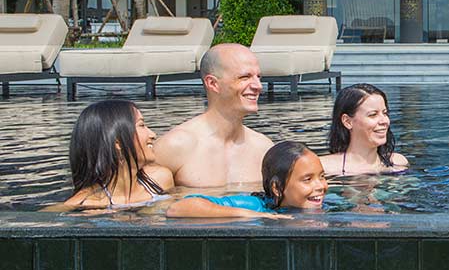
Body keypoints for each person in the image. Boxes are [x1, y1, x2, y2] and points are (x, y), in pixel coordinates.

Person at [154, 44, 274, 188]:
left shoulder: (264, 148)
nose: (258, 86)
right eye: (244, 77)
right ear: (212, 83)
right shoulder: (175, 146)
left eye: (258, 77)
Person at [51, 100, 174, 210]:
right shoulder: (86, 205)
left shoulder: (160, 180)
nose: (153, 134)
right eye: (141, 125)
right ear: (118, 142)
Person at [166, 141, 327, 217]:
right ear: (276, 188)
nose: (320, 186)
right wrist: (255, 215)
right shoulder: (256, 205)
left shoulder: (328, 205)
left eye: (322, 176)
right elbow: (177, 208)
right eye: (307, 179)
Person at [321, 84, 409, 176]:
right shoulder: (325, 168)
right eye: (373, 115)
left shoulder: (398, 163)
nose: (384, 121)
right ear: (347, 121)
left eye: (385, 113)